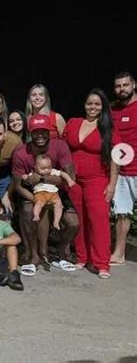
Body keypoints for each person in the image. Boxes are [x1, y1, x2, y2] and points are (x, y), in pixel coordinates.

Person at [12, 115, 80, 276]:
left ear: (50, 131)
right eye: (36, 132)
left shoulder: (60, 146)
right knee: (29, 212)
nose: (40, 135)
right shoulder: (21, 153)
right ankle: (34, 255)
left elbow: (70, 177)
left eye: (44, 131)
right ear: (30, 133)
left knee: (73, 224)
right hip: (32, 193)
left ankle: (60, 250)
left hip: (58, 192)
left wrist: (42, 178)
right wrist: (36, 199)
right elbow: (18, 186)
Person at [65, 88, 120, 278]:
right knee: (79, 220)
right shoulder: (74, 123)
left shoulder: (108, 128)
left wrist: (112, 185)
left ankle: (101, 263)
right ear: (84, 105)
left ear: (102, 106)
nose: (93, 107)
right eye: (90, 103)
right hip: (74, 180)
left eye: (97, 104)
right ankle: (82, 257)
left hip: (97, 179)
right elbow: (63, 149)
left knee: (98, 220)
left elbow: (115, 158)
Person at [110, 72, 137, 266]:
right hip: (122, 171)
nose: (122, 89)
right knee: (122, 213)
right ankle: (119, 253)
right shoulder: (112, 110)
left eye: (125, 85)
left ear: (134, 85)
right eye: (118, 86)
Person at [23, 153, 75, 230]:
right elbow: (27, 179)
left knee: (59, 205)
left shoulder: (53, 172)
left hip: (53, 194)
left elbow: (63, 174)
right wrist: (25, 177)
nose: (47, 170)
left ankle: (56, 222)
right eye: (43, 168)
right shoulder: (33, 173)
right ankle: (36, 215)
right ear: (36, 167)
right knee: (39, 203)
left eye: (49, 167)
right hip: (40, 193)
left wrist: (69, 180)